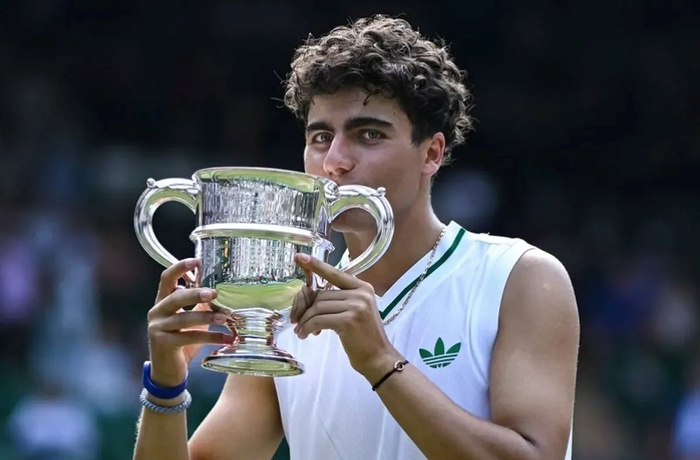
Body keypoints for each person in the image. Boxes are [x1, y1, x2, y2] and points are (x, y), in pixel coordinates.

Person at [133, 15, 579, 460]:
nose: (336, 161)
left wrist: (380, 361)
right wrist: (166, 385)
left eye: (369, 134)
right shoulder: (285, 308)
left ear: (431, 153)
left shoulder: (517, 277)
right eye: (320, 137)